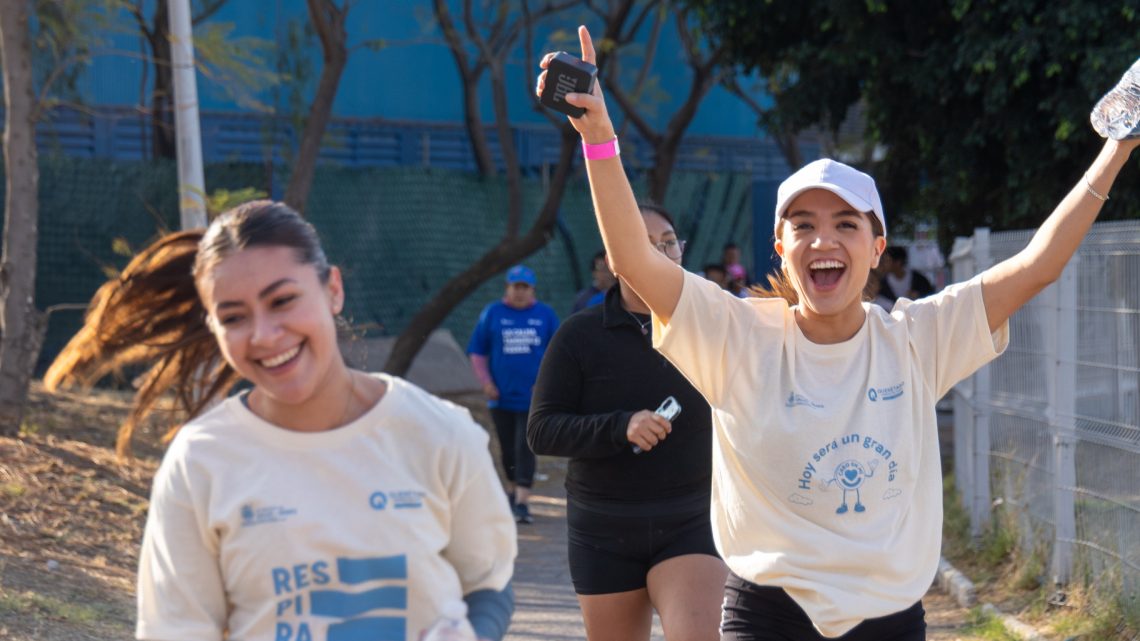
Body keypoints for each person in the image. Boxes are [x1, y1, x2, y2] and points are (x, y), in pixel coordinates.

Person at [537, 28, 1138, 640]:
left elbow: (1040, 264)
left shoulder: (917, 338)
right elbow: (636, 261)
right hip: (765, 613)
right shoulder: (736, 335)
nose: (824, 240)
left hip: (888, 614)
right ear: (781, 247)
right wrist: (598, 138)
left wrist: (1118, 145)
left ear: (876, 248)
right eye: (804, 225)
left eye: (846, 224)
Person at [43, 201, 517, 641]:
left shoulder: (440, 434)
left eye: (283, 301)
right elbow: (177, 628)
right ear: (214, 328)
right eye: (234, 317)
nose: (265, 336)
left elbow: (489, 582)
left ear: (332, 289)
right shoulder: (201, 461)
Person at [528, 203, 727, 641]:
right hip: (602, 527)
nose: (659, 251)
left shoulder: (715, 326)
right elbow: (542, 430)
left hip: (691, 519)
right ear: (615, 256)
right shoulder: (579, 336)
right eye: (643, 243)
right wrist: (620, 426)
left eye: (669, 242)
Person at [467, 265, 559, 524]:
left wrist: (545, 383)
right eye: (515, 286)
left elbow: (558, 353)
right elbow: (477, 352)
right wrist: (485, 381)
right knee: (507, 448)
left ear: (532, 290)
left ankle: (522, 501)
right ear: (507, 287)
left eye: (524, 287)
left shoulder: (545, 315)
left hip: (533, 399)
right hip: (500, 396)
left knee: (525, 445)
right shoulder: (493, 314)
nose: (519, 292)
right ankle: (510, 491)